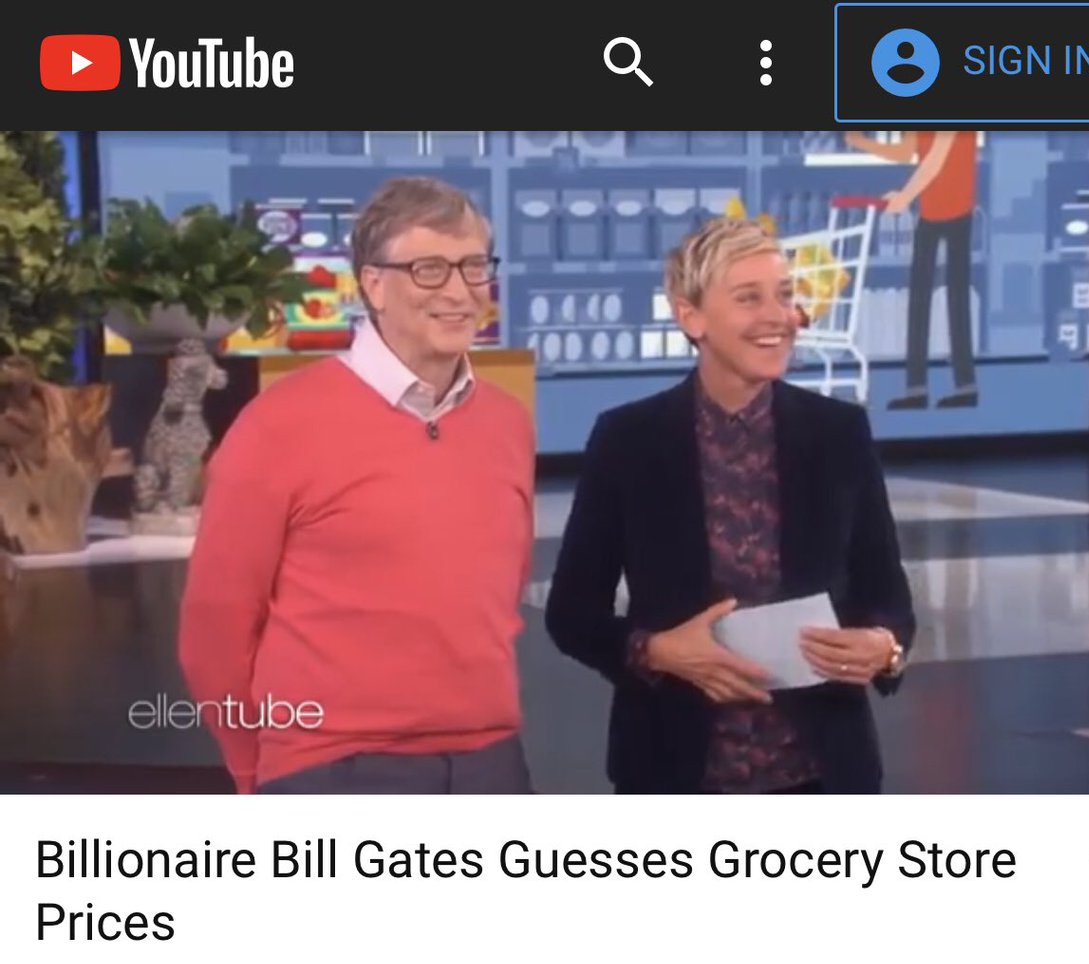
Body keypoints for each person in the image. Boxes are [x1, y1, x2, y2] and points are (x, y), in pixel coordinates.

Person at [179, 177, 535, 793]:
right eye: (429, 269)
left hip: (492, 763)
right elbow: (215, 632)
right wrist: (254, 772)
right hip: (332, 766)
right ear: (373, 284)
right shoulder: (279, 424)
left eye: (474, 266)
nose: (459, 291)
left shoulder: (507, 423)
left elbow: (495, 598)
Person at [544, 218, 915, 794]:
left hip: (824, 777)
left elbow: (887, 598)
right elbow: (571, 613)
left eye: (785, 295)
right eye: (749, 298)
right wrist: (655, 651)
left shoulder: (839, 433)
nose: (778, 316)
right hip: (673, 773)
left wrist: (884, 650)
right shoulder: (629, 440)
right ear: (690, 316)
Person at [844, 130, 979, 410]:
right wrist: (861, 142)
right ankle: (916, 387)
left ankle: (965, 385)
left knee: (957, 297)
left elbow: (935, 160)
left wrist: (905, 196)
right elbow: (906, 153)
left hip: (957, 210)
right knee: (918, 299)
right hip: (930, 212)